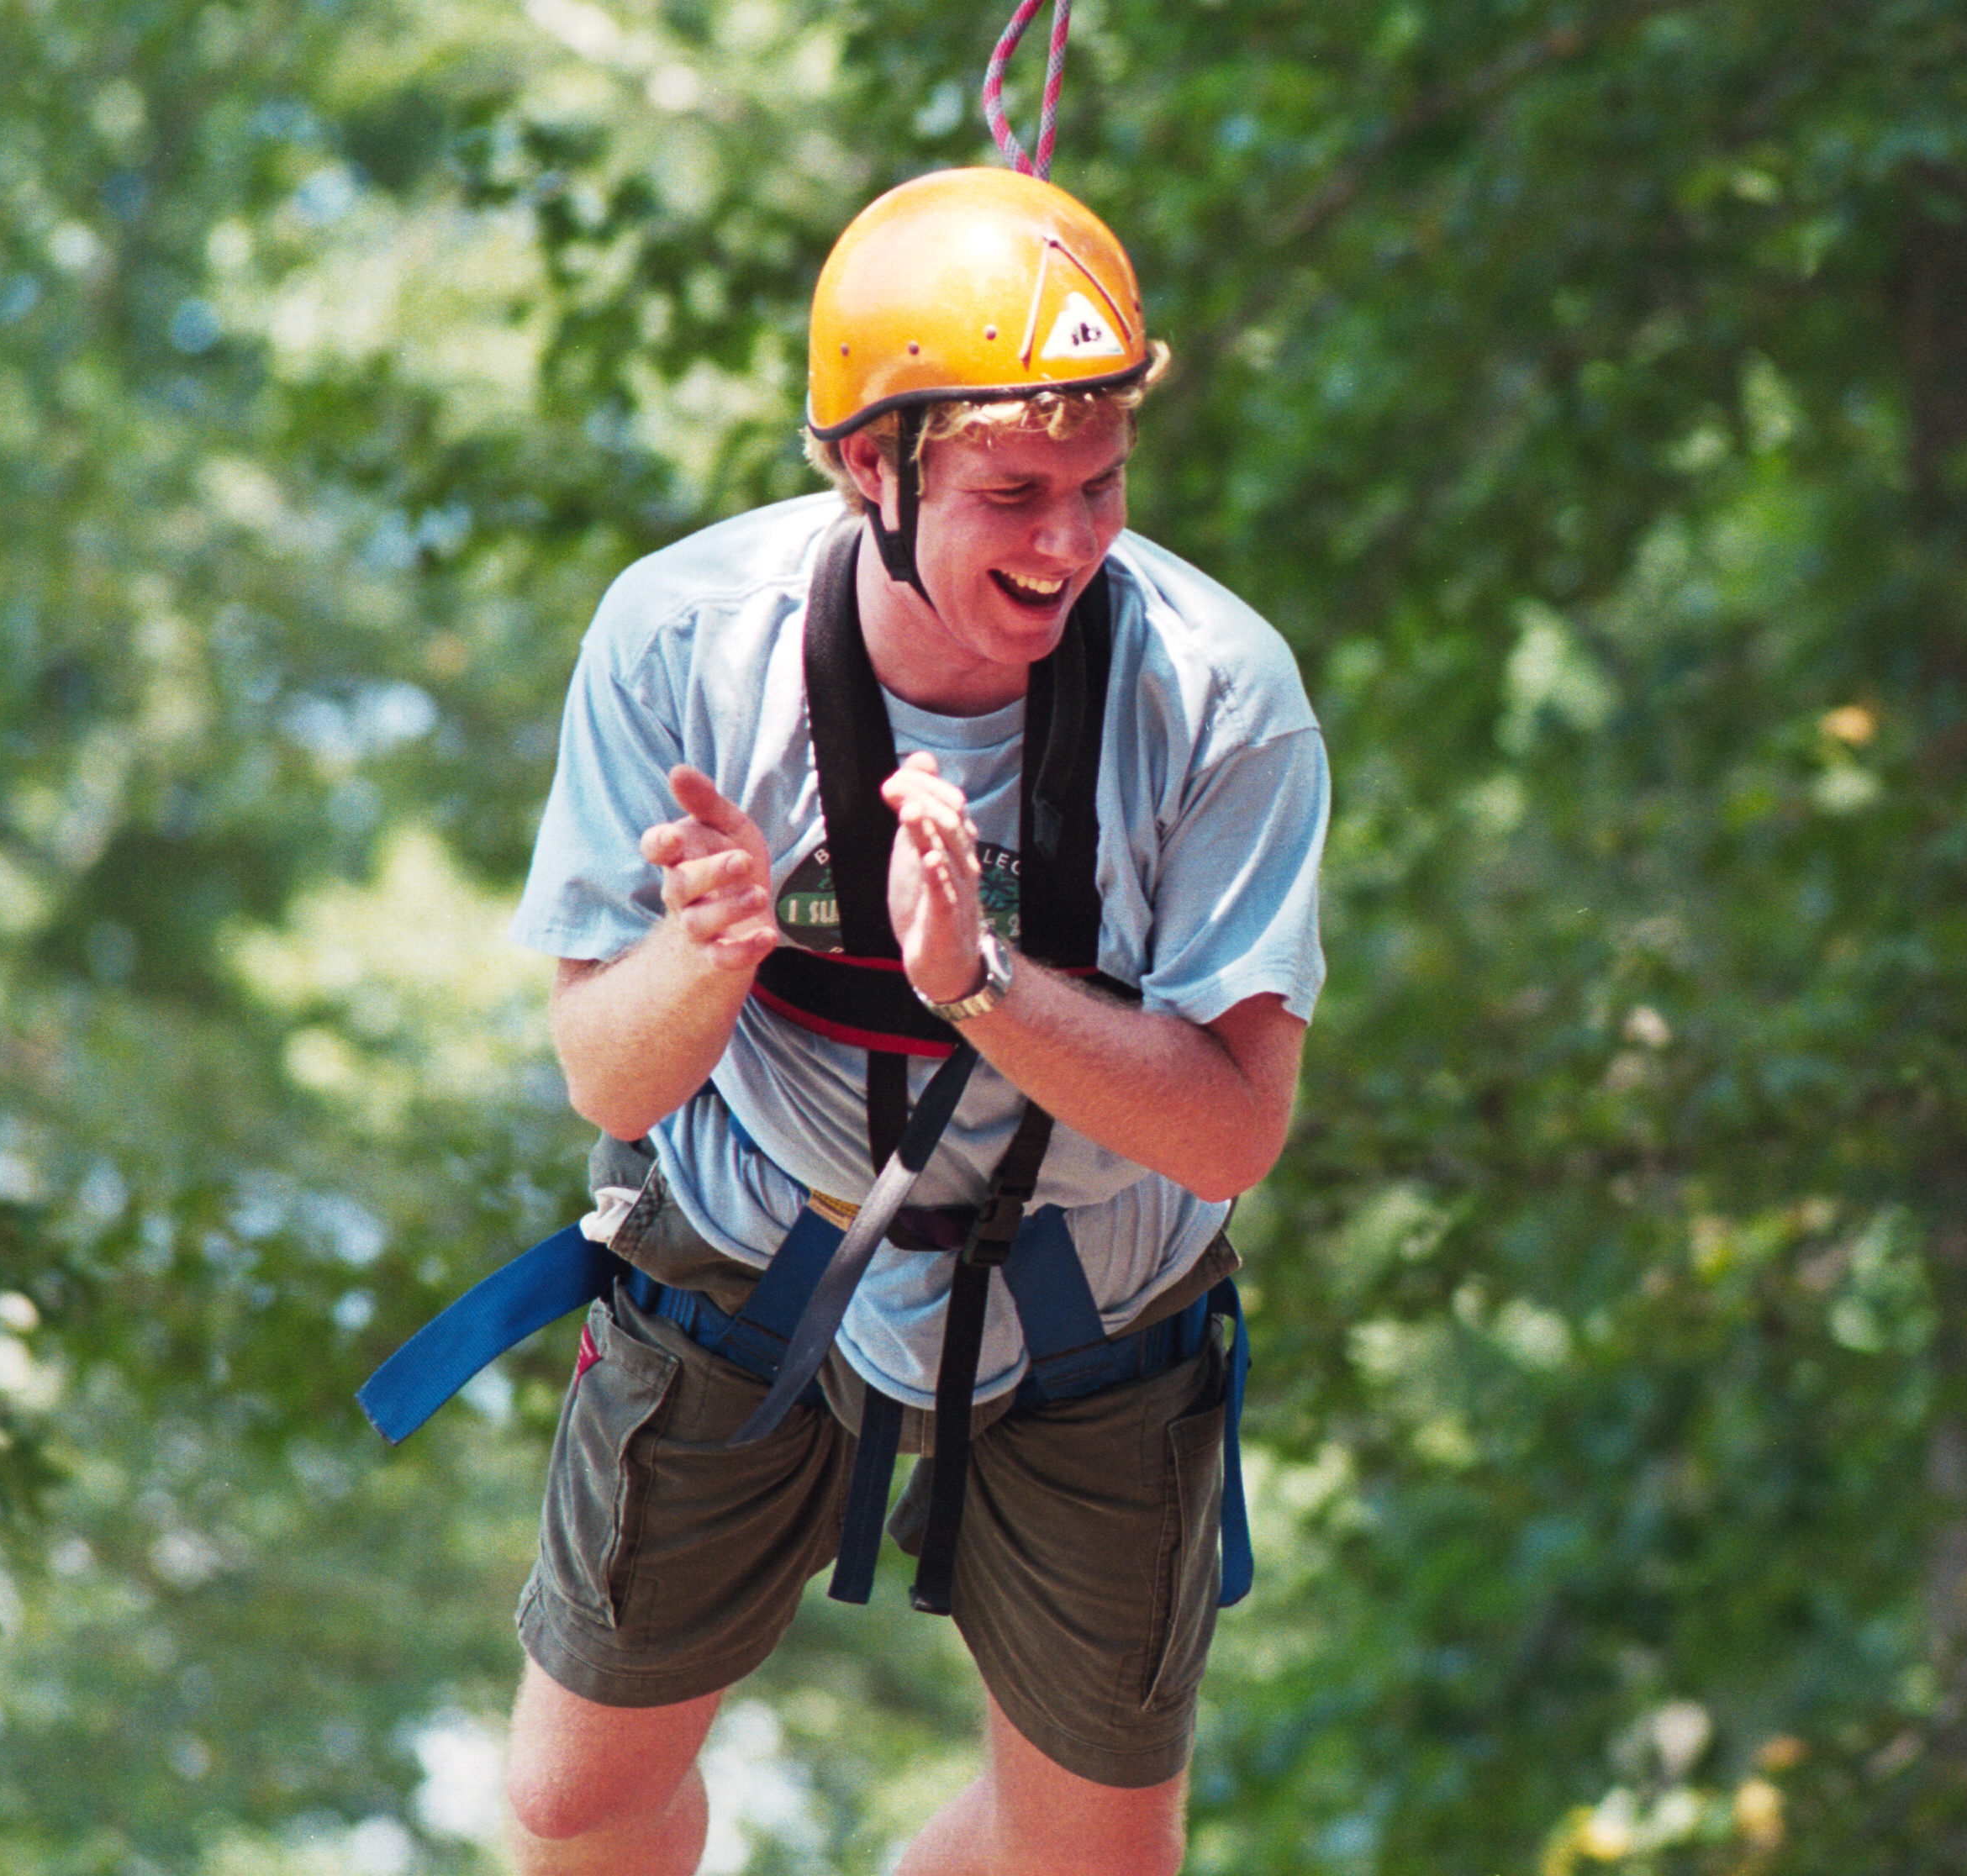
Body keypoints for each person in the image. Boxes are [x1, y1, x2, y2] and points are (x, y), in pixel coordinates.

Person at [494, 167, 1329, 1876]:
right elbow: (603, 1064)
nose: (1072, 541)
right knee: (570, 1803)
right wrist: (705, 957)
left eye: (1100, 485)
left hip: (1095, 1283)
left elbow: (1236, 1126)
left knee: (1097, 1861)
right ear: (865, 468)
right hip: (750, 1243)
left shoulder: (1215, 692)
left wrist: (983, 986)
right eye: (1017, 491)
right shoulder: (684, 644)